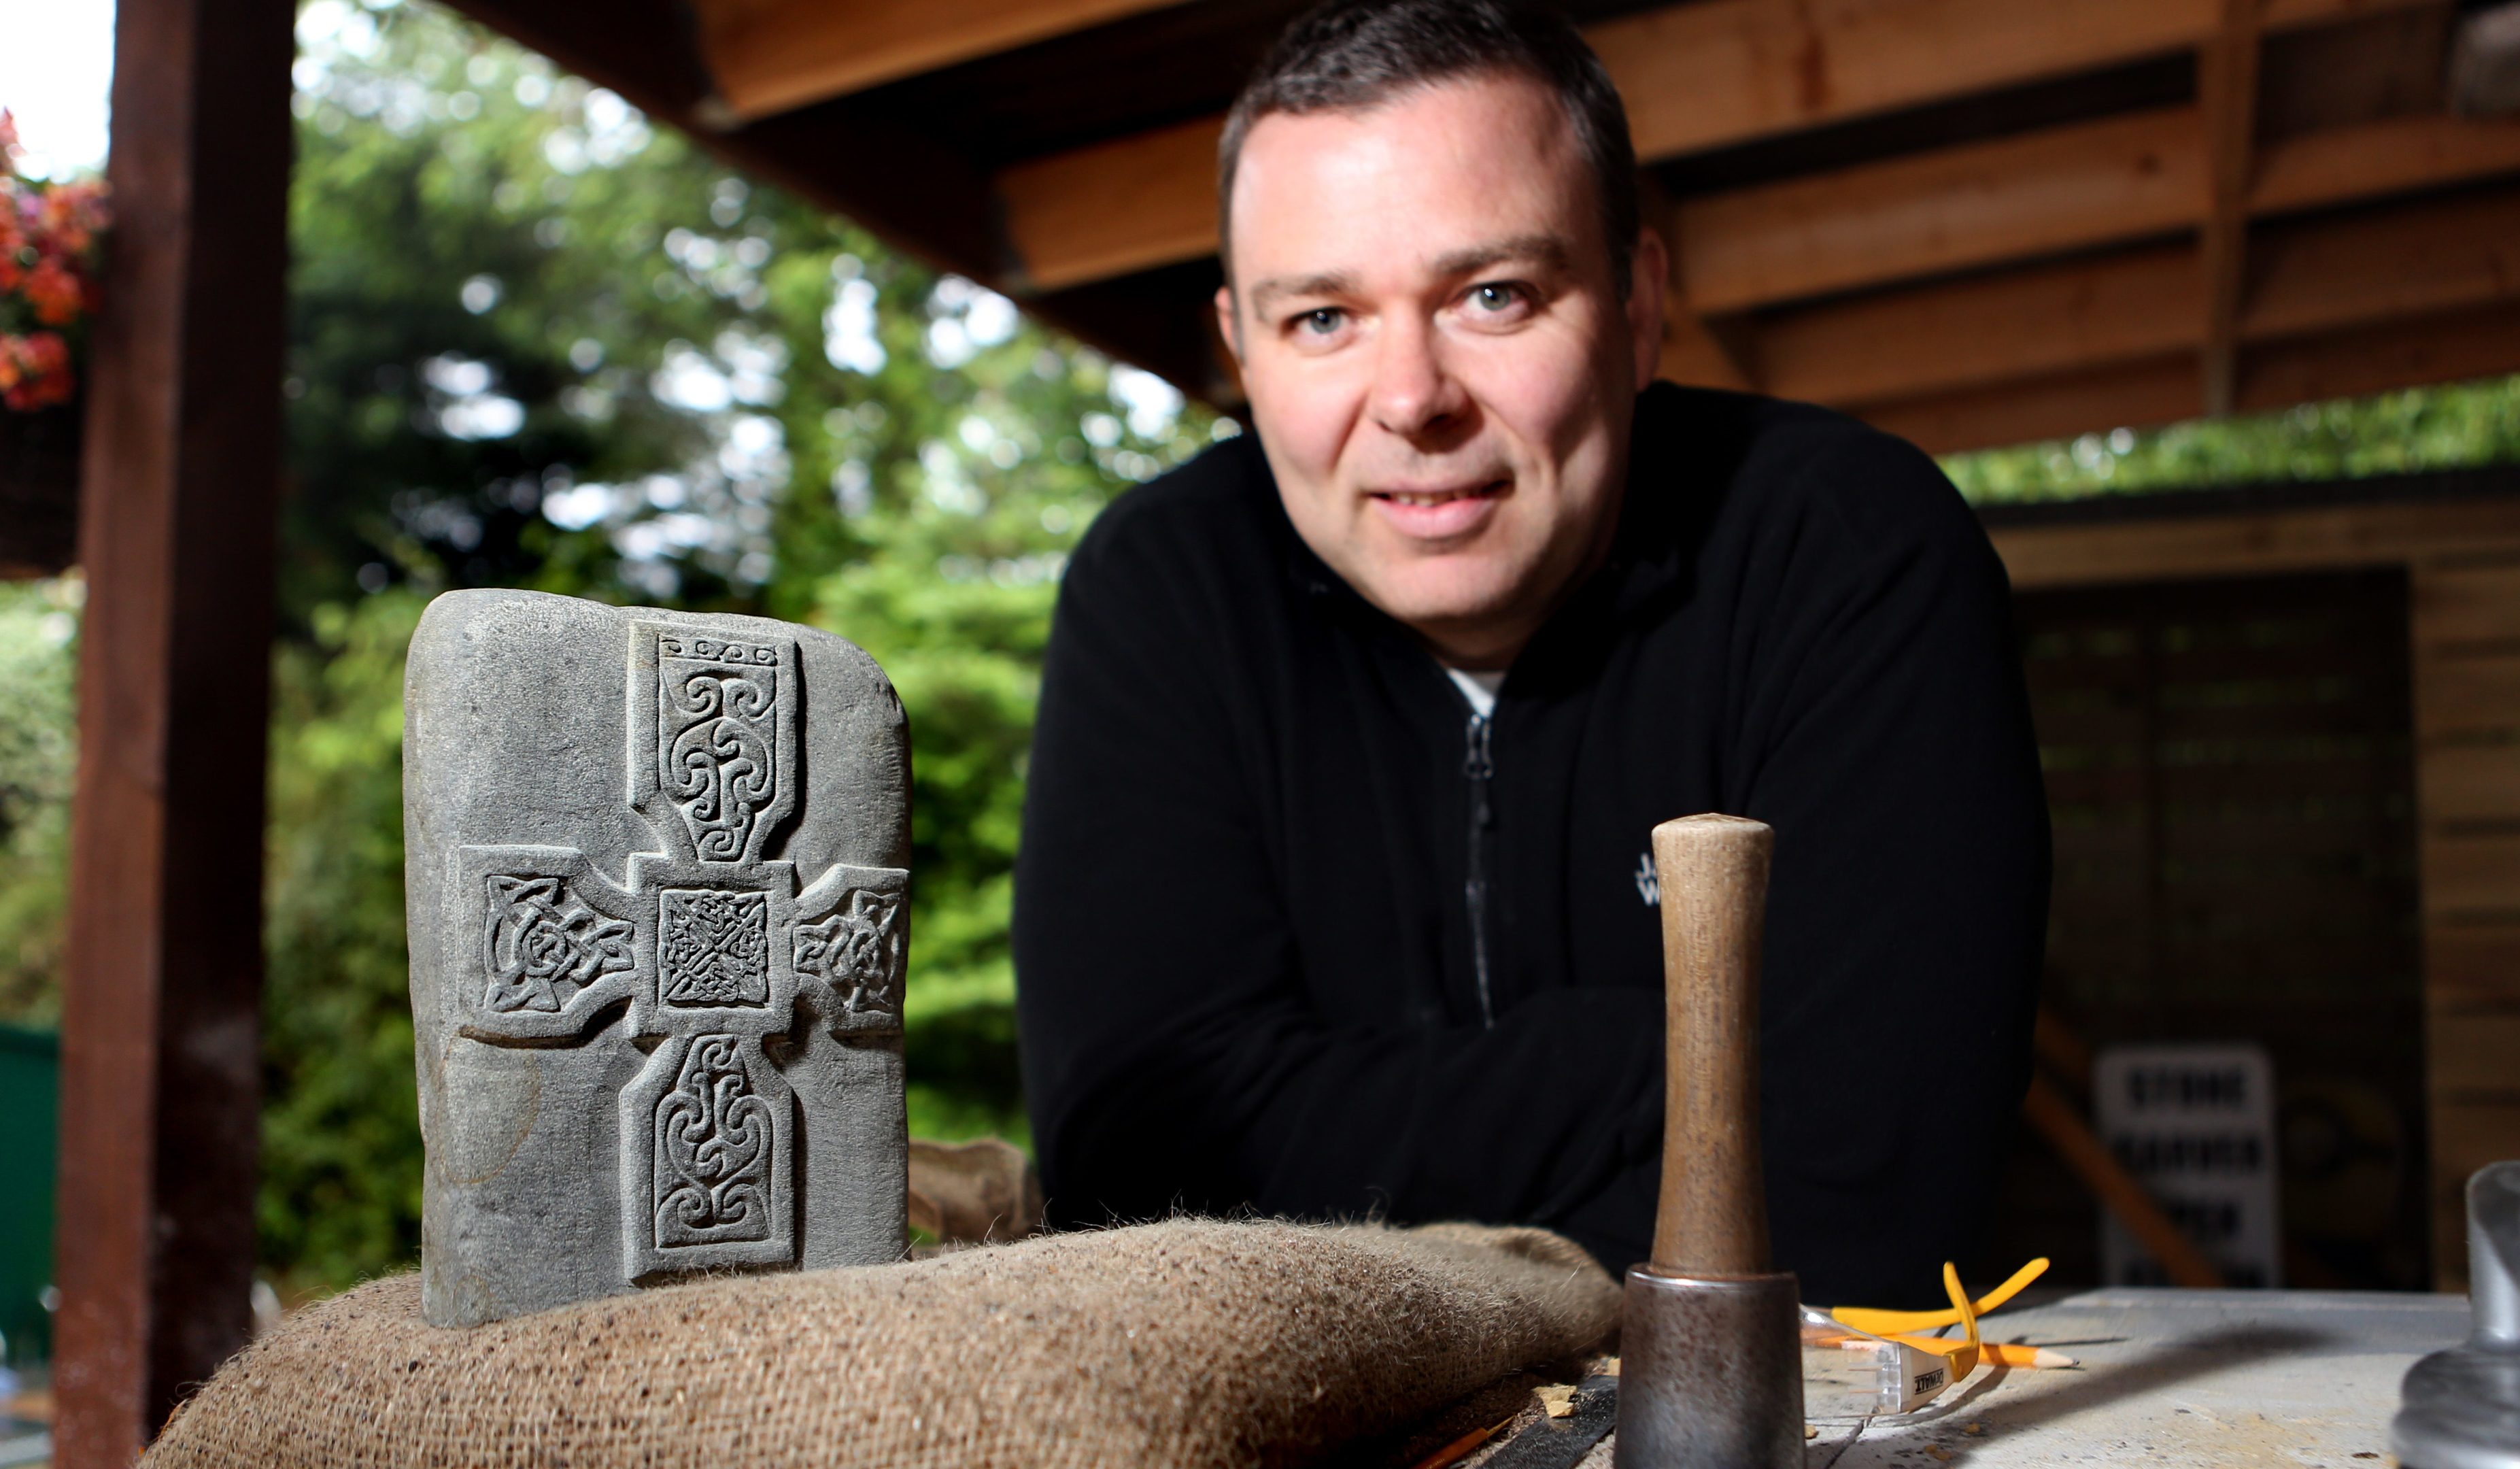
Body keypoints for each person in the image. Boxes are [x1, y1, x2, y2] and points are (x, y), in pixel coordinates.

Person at [1010, 0, 2049, 1305]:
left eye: (1491, 295)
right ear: (1241, 352)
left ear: (1638, 304)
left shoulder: (1844, 552)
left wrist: (1321, 1135)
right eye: (1322, 319)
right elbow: (1128, 1178)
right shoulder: (1160, 589)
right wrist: (1681, 1062)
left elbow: (1876, 1200)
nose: (1409, 399)